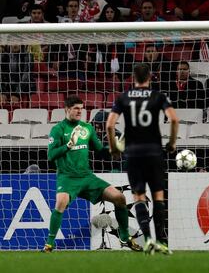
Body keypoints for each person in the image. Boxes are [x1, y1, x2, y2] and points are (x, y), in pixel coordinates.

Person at [42, 95, 141, 252]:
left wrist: (115, 148)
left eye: (82, 109)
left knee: (119, 198)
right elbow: (50, 156)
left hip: (87, 177)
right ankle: (49, 244)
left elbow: (100, 152)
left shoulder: (87, 128)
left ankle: (124, 237)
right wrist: (68, 145)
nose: (80, 111)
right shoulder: (58, 129)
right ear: (67, 109)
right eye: (76, 108)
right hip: (67, 178)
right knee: (60, 203)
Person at [106, 63, 178, 255]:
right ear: (150, 77)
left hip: (133, 153)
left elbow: (110, 125)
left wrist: (114, 148)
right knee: (158, 196)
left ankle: (147, 240)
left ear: (133, 78)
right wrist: (171, 144)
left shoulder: (124, 97)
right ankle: (161, 242)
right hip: (154, 152)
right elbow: (173, 119)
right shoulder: (158, 96)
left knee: (138, 196)